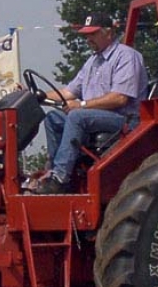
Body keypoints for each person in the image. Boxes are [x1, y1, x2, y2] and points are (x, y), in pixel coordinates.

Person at [35, 12, 148, 194]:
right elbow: (68, 92)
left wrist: (81, 105)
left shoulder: (126, 56)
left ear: (108, 32)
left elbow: (119, 98)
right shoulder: (92, 62)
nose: (88, 39)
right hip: (94, 117)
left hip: (124, 119)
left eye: (93, 34)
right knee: (53, 118)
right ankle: (56, 173)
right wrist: (35, 96)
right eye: (86, 35)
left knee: (76, 116)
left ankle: (60, 178)